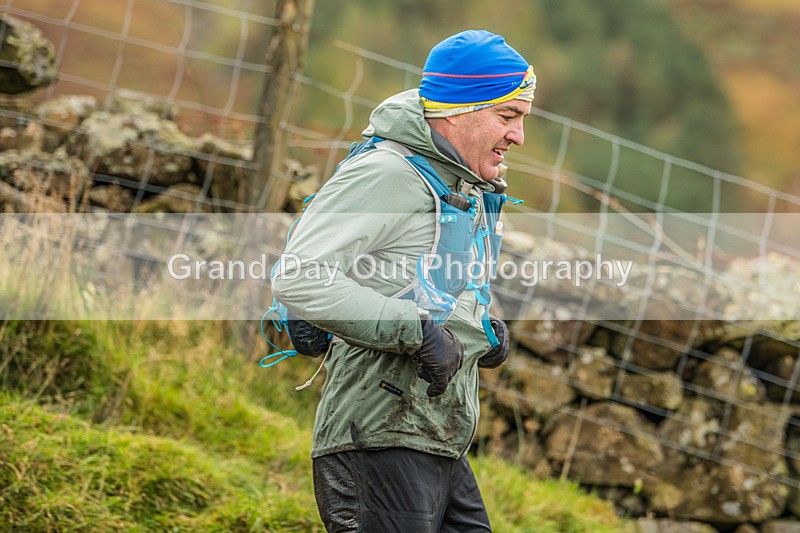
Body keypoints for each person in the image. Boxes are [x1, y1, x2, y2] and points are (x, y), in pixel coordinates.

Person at [271, 29, 535, 532]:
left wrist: (479, 330)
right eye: (509, 116)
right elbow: (300, 276)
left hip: (433, 437)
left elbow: (411, 282)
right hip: (375, 436)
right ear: (459, 109)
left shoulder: (457, 186)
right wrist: (415, 331)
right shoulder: (389, 173)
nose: (519, 136)